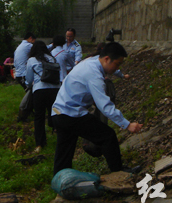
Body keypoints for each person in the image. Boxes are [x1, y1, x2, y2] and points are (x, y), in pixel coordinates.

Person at [51, 42, 142, 175]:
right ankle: (119, 173)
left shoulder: (93, 61)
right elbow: (104, 105)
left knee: (64, 152)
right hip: (71, 113)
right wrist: (127, 125)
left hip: (59, 111)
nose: (118, 67)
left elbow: (111, 68)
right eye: (117, 63)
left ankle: (60, 179)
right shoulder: (94, 75)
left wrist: (120, 73)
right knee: (108, 136)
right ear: (106, 59)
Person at [25, 41, 61, 153]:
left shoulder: (31, 60)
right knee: (55, 112)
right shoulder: (53, 58)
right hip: (55, 90)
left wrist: (29, 84)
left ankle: (40, 144)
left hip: (39, 91)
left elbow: (29, 79)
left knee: (39, 117)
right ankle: (59, 133)